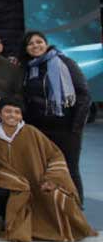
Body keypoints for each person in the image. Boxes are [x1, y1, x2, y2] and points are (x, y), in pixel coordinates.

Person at [0, 97, 95, 242]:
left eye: (17, 112)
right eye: (8, 111)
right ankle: (10, 221)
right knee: (4, 191)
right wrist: (17, 182)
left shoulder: (31, 132)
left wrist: (51, 179)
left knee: (57, 197)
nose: (13, 115)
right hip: (13, 185)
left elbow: (55, 155)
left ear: (21, 115)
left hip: (39, 182)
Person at [19, 30, 90, 198]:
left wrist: (76, 128)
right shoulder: (27, 68)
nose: (35, 46)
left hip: (66, 128)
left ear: (46, 43)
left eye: (39, 42)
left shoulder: (65, 63)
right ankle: (52, 208)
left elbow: (83, 96)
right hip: (39, 129)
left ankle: (76, 207)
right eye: (30, 43)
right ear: (26, 48)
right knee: (44, 169)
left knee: (69, 169)